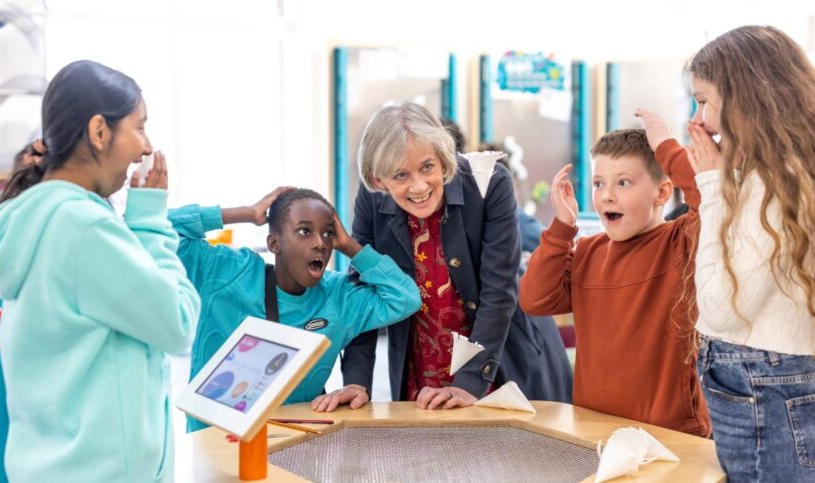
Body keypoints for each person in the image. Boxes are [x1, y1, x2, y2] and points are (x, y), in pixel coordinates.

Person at [0, 60, 201, 482]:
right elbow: (177, 322)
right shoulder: (84, 229)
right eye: (139, 127)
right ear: (99, 132)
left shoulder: (32, 217)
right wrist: (149, 220)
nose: (146, 148)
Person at [318, 102, 572, 412]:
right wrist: (356, 380)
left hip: (500, 358)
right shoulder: (371, 199)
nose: (419, 186)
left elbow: (498, 292)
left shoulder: (489, 183)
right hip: (422, 360)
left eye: (427, 167)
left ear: (443, 157)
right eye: (401, 175)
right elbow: (364, 292)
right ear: (379, 179)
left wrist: (468, 383)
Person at [168, 187, 421, 427]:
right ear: (274, 244)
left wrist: (348, 245)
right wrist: (247, 212)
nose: (321, 243)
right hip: (214, 440)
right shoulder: (228, 272)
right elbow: (160, 229)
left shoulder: (338, 297)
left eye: (328, 233)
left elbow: (405, 298)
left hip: (288, 442)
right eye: (304, 231)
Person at [684, 26, 815, 481]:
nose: (698, 119)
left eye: (703, 100)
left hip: (764, 381)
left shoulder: (772, 185)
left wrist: (711, 186)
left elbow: (722, 310)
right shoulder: (796, 173)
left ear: (742, 98)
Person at [519, 127, 711, 436]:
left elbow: (710, 197)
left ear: (662, 193)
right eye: (598, 183)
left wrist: (666, 147)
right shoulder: (586, 251)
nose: (607, 194)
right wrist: (561, 230)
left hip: (671, 436)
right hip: (594, 432)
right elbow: (534, 299)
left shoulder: (681, 241)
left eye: (623, 182)